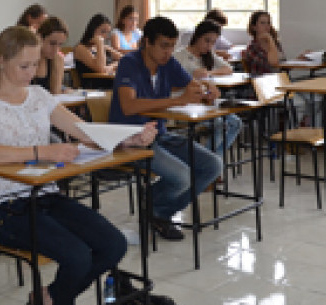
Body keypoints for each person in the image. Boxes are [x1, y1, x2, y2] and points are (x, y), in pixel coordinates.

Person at [0, 26, 156, 305]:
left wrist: (128, 139)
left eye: (34, 65)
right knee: (78, 257)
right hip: (4, 208)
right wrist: (43, 152)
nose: (31, 73)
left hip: (46, 196)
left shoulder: (39, 96)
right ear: (0, 62)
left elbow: (83, 131)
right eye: (23, 66)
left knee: (113, 245)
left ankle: (49, 296)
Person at [109, 16, 223, 241]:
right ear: (147, 42)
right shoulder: (129, 63)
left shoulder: (168, 63)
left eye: (172, 46)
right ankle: (156, 209)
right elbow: (129, 106)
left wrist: (206, 91)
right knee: (182, 176)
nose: (169, 52)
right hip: (130, 140)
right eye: (163, 46)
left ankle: (158, 211)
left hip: (160, 135)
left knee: (212, 165)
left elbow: (191, 85)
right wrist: (179, 100)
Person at [174, 19, 242, 155]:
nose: (209, 45)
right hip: (185, 103)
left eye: (213, 42)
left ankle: (212, 159)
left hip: (205, 102)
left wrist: (209, 73)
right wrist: (200, 80)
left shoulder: (208, 55)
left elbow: (228, 68)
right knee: (218, 123)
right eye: (207, 41)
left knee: (236, 123)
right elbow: (173, 84)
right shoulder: (179, 56)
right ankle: (210, 161)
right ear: (197, 36)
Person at [73, 13, 121, 89]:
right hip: (95, 87)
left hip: (110, 82)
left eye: (107, 32)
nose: (105, 36)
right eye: (103, 31)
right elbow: (101, 69)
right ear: (92, 30)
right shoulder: (80, 48)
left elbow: (125, 60)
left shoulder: (103, 47)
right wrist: (99, 43)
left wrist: (111, 66)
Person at [33, 16, 69, 94]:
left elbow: (55, 93)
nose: (56, 50)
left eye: (60, 44)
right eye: (52, 43)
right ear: (39, 38)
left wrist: (56, 66)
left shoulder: (58, 59)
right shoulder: (27, 59)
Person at [241, 11, 283, 75]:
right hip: (264, 81)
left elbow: (283, 66)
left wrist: (298, 60)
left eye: (268, 23)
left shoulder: (276, 43)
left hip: (280, 79)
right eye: (262, 23)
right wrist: (270, 39)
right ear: (254, 27)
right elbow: (273, 63)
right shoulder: (253, 47)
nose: (267, 26)